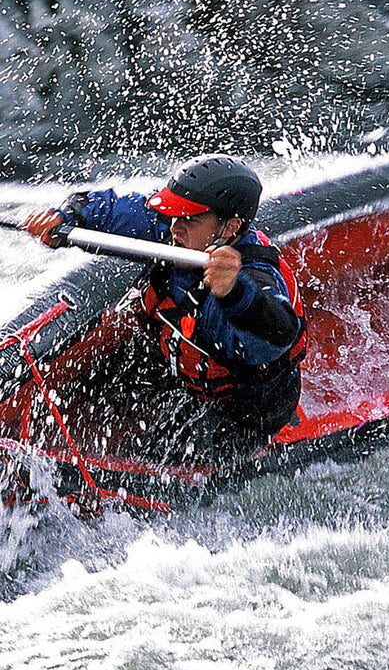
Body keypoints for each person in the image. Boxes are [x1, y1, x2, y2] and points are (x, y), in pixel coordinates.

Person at [23, 154, 306, 463]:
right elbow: (112, 208)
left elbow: (275, 337)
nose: (175, 229)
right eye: (174, 216)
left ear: (230, 227)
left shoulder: (255, 277)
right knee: (92, 390)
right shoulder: (175, 229)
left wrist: (234, 292)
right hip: (176, 361)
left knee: (165, 453)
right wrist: (67, 216)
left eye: (190, 219)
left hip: (242, 408)